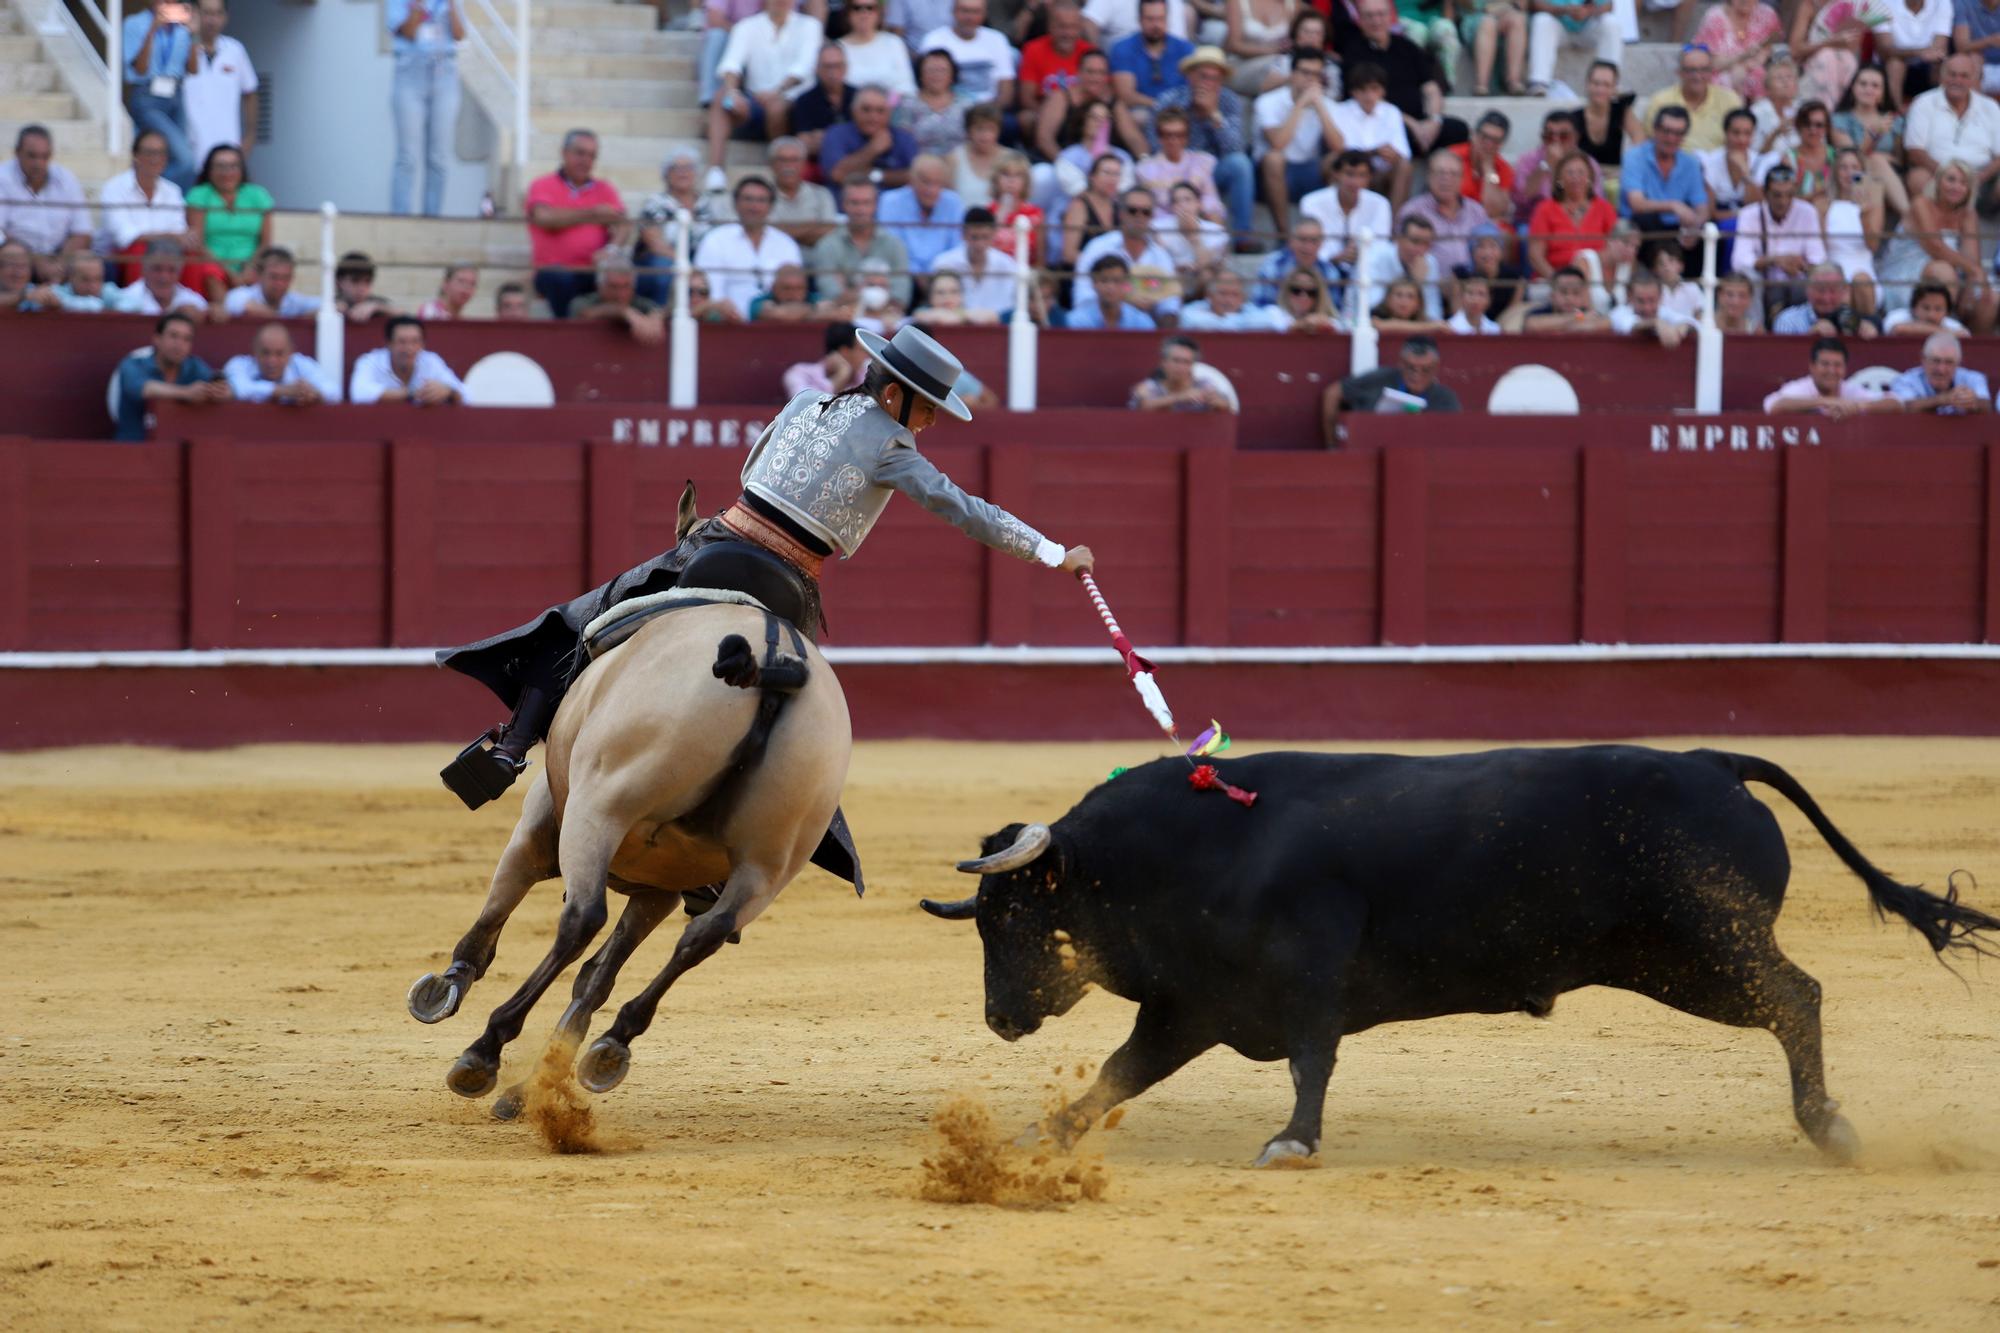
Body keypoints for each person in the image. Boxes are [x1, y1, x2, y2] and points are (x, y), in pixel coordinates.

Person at [434, 323, 1095, 809]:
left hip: (713, 542)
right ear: (895, 396)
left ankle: (511, 745)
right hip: (790, 580)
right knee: (804, 717)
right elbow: (963, 508)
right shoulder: (894, 445)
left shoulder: (806, 402)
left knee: (582, 621)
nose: (929, 424)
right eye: (927, 409)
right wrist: (1051, 551)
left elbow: (751, 468)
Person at [705, 0, 823, 185]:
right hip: (756, 103)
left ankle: (779, 173)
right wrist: (733, 92)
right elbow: (732, 64)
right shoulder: (746, 26)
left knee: (777, 107)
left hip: (794, 104)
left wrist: (777, 91)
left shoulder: (810, 26)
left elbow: (804, 67)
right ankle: (716, 171)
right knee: (722, 98)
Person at [1339, 0, 1465, 163]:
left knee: (1459, 130)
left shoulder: (1407, 47)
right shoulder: (1353, 54)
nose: (1376, 21)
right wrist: (1412, 124)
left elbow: (1431, 87)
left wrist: (1433, 120)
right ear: (1360, 20)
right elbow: (1369, 98)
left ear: (1390, 17)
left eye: (1381, 14)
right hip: (1385, 124)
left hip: (1422, 122)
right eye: (1369, 16)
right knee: (1402, 135)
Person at [1152, 47, 1256, 236]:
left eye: (1214, 78)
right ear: (1190, 76)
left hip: (1211, 173)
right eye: (1203, 76)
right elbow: (1155, 143)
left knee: (1240, 164)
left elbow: (1235, 148)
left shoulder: (1230, 101)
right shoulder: (1170, 100)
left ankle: (1242, 236)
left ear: (1221, 81)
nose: (1208, 83)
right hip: (1174, 170)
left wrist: (1213, 115)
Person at [526, 130, 629, 318]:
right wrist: (592, 214)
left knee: (629, 279)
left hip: (594, 270)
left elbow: (623, 224)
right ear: (564, 153)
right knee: (559, 278)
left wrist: (612, 249)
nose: (586, 160)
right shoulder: (542, 185)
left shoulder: (605, 189)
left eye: (592, 155)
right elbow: (544, 218)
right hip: (553, 271)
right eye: (580, 153)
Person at [386, 0, 463, 217]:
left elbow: (459, 33)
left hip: (444, 71)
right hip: (411, 70)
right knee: (407, 156)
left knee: (439, 157)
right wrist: (418, 6)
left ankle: (433, 216)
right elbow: (409, 32)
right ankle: (400, 217)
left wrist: (451, 6)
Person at [1254, 46, 1340, 236]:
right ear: (1292, 74)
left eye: (1316, 74)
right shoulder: (1267, 101)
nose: (1310, 79)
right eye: (1305, 73)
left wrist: (1320, 107)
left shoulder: (1327, 104)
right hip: (1272, 176)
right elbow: (1278, 144)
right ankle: (1284, 235)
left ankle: (1329, 234)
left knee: (1337, 161)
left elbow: (1340, 148)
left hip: (1309, 171)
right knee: (1274, 158)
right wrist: (1300, 104)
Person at [694, 176, 807, 315]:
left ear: (771, 206)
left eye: (761, 200)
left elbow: (796, 290)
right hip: (726, 322)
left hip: (775, 321)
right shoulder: (715, 240)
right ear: (735, 204)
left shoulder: (786, 244)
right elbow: (709, 291)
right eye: (748, 199)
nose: (754, 207)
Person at [113, 311, 230, 441]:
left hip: (180, 451)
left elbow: (227, 390)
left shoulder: (194, 365)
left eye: (187, 339)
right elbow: (144, 389)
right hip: (133, 450)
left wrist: (221, 392)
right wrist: (186, 393)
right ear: (157, 339)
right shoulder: (132, 364)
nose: (179, 344)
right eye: (174, 336)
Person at [1321, 334, 1458, 446]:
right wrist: (1332, 446)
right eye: (1410, 367)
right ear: (1400, 362)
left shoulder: (1445, 399)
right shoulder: (1379, 379)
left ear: (1436, 368)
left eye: (1425, 369)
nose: (1416, 374)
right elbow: (1332, 393)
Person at [1903, 53, 2000, 202]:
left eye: (1964, 76)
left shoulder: (1990, 106)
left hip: (1981, 179)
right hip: (1937, 176)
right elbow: (1915, 151)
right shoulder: (1923, 102)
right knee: (1917, 178)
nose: (1957, 81)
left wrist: (1981, 177)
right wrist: (1950, 177)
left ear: (1974, 79)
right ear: (1941, 77)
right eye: (1952, 74)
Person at [99, 130, 190, 285]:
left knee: (192, 257)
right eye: (149, 153)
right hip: (118, 257)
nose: (155, 159)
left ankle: (186, 306)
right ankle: (139, 307)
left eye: (160, 153)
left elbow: (180, 232)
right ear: (135, 156)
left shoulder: (172, 190)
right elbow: (125, 237)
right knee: (140, 251)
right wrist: (170, 236)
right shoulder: (114, 188)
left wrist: (173, 238)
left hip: (164, 252)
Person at [0, 126, 94, 277]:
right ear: (17, 153)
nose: (38, 163)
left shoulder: (66, 179)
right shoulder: (3, 178)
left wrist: (60, 265)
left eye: (44, 157)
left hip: (60, 258)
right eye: (32, 156)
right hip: (16, 258)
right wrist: (35, 261)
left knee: (98, 266)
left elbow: (82, 232)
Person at [1073, 185, 1182, 315]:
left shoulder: (1161, 255)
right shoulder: (1098, 248)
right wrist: (1125, 302)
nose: (1139, 216)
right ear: (1121, 214)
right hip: (1100, 326)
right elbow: (1083, 297)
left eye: (1146, 212)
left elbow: (1171, 304)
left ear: (1152, 216)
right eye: (1132, 210)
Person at [123, 1, 197, 191]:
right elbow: (140, 69)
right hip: (147, 96)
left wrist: (193, 34)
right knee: (186, 160)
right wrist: (152, 30)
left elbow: (193, 69)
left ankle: (164, 202)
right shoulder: (134, 23)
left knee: (175, 158)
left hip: (175, 95)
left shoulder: (181, 28)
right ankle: (146, 190)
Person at [1734, 165, 1827, 315]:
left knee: (1815, 280)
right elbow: (1739, 261)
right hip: (1764, 284)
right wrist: (1774, 261)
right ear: (1765, 193)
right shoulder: (1748, 214)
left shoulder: (1807, 212)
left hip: (1797, 281)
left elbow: (1818, 259)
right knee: (1749, 279)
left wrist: (1797, 265)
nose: (1783, 201)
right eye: (1777, 195)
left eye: (1789, 195)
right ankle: (1757, 329)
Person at [811, 176, 916, 308]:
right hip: (844, 322)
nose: (860, 210)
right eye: (855, 203)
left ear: (875, 205)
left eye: (866, 203)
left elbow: (900, 297)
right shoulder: (827, 245)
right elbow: (831, 294)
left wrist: (851, 292)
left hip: (886, 322)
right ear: (843, 204)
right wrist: (880, 289)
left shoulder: (894, 245)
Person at [184, 144, 270, 301]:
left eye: (233, 166)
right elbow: (198, 243)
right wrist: (229, 273)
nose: (227, 173)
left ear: (241, 169)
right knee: (210, 272)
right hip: (212, 265)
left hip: (251, 267)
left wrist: (250, 269)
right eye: (220, 167)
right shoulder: (199, 195)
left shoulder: (258, 195)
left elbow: (265, 243)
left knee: (274, 270)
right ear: (209, 170)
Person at [1621, 107, 1710, 256]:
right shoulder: (1635, 156)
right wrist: (1674, 206)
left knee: (1709, 233)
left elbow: (1702, 207)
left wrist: (1695, 226)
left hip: (1676, 228)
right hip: (1642, 227)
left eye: (1678, 133)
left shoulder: (1690, 162)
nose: (1671, 138)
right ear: (1655, 130)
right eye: (1666, 131)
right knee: (1646, 220)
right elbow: (1637, 204)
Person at [184, 0, 258, 169]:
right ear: (195, 14)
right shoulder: (182, 45)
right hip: (190, 148)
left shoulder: (235, 50)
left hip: (228, 147)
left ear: (225, 17)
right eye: (207, 13)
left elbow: (250, 92)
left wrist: (250, 136)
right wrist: (193, 36)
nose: (212, 20)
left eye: (217, 14)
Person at [1329, 62, 1413, 208]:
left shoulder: (1392, 112)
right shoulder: (1340, 111)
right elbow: (1343, 154)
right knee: (1334, 162)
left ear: (1383, 91)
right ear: (1354, 92)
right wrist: (1375, 152)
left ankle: (1394, 226)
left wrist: (1393, 155)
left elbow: (1403, 153)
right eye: (1363, 90)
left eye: (1374, 89)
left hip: (1381, 174)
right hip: (1351, 172)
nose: (1369, 96)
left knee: (1404, 166)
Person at [1299, 149, 1393, 272]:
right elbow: (1309, 245)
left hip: (1364, 270)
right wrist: (1336, 258)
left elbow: (1381, 246)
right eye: (1349, 174)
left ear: (1370, 177)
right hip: (1322, 269)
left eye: (1362, 175)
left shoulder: (1380, 204)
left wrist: (1361, 253)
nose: (1355, 182)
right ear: (1336, 174)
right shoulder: (1311, 202)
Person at [1110, 0, 1196, 134]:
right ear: (1140, 20)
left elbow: (1192, 89)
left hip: (1181, 112)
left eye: (1160, 19)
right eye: (1150, 19)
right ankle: (1142, 155)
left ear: (1167, 19)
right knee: (1134, 116)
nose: (1156, 25)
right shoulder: (1123, 49)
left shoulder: (1185, 49)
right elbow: (1126, 95)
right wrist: (1160, 106)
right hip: (1144, 111)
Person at [1526, 151, 1616, 280]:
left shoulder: (1605, 208)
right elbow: (1535, 256)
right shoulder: (1545, 209)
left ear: (1590, 178)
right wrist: (1557, 280)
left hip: (1594, 280)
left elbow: (1614, 250)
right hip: (1553, 280)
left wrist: (1587, 268)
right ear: (1559, 179)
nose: (1576, 177)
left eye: (1581, 172)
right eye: (1570, 172)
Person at [1640, 44, 1743, 153]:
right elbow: (1649, 142)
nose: (1698, 76)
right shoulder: (1661, 101)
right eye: (1691, 70)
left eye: (1704, 70)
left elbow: (1740, 142)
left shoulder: (1730, 100)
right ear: (1680, 73)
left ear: (1711, 72)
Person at [1398, 150, 1485, 276]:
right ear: (1428, 176)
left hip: (1470, 289)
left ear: (1462, 179)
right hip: (1429, 287)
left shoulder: (1477, 211)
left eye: (1453, 174)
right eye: (1440, 173)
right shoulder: (1413, 211)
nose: (1446, 179)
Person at [820, 86, 921, 194]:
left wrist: (874, 174)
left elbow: (916, 177)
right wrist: (873, 149)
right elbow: (838, 175)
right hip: (846, 207)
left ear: (890, 114)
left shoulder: (903, 137)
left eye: (880, 111)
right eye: (866, 109)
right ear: (853, 111)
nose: (873, 117)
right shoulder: (836, 133)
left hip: (893, 207)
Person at [350, 315, 467, 406]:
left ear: (423, 344)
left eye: (415, 342)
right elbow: (359, 393)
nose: (409, 348)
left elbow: (467, 395)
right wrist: (411, 394)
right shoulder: (370, 361)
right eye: (402, 342)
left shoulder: (431, 361)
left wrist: (449, 392)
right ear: (388, 344)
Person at [1763, 336, 1898, 414]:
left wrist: (1857, 407)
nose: (1831, 371)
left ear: (1845, 368)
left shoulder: (1849, 389)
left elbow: (1895, 403)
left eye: (1837, 365)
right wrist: (1825, 401)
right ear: (1812, 366)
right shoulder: (1802, 387)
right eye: (1825, 364)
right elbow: (1773, 405)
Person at [921, 0, 1019, 106]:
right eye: (965, 11)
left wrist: (989, 113)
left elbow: (1006, 87)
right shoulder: (934, 39)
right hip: (947, 111)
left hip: (988, 112)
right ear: (953, 11)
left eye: (976, 12)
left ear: (985, 14)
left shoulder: (997, 39)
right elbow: (927, 86)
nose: (970, 17)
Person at [1137, 108, 1225, 223]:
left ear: (1187, 137)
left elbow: (1211, 199)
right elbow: (1146, 208)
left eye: (1180, 135)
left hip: (1197, 223)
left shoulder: (1201, 162)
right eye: (1168, 135)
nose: (1174, 140)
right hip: (1163, 228)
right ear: (1160, 137)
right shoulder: (1145, 169)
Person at [222, 321, 340, 405]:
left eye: (279, 354)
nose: (272, 361)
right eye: (265, 353)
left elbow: (334, 391)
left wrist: (314, 393)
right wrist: (282, 391)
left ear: (290, 352)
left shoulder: (301, 364)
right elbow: (240, 389)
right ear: (254, 351)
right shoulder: (238, 364)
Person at [1019, 0, 1096, 128]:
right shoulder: (1033, 49)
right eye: (1062, 26)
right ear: (1050, 26)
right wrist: (1052, 115)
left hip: (1083, 117)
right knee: (1026, 118)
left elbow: (1100, 94)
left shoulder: (1090, 52)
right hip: (1043, 113)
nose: (1068, 33)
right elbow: (1027, 99)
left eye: (1073, 27)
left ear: (1080, 28)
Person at [931, 206, 1021, 315]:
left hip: (998, 328)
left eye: (985, 237)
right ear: (963, 234)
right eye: (974, 237)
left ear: (994, 234)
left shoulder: (1008, 265)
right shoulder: (944, 263)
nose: (980, 244)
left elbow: (1012, 307)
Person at [1525, 0, 1622, 100]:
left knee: (1611, 22)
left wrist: (1588, 12)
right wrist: (1565, 10)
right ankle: (1539, 83)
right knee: (1542, 19)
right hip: (1558, 25)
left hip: (1587, 28)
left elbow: (1608, 5)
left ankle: (1609, 84)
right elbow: (1535, 4)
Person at [1511, 110, 1594, 224]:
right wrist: (1546, 165)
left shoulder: (1587, 163)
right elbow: (1520, 198)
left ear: (1576, 137)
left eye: (1564, 136)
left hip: (1575, 222)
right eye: (1549, 136)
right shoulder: (1527, 160)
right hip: (1532, 221)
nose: (1556, 140)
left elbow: (1593, 200)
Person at [1354, 214, 1443, 319]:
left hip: (1412, 326)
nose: (1421, 249)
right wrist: (1415, 282)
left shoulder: (1429, 262)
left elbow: (1433, 312)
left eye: (1426, 244)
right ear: (1399, 239)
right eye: (1415, 241)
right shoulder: (1373, 257)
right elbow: (1373, 308)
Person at [571, 251, 668, 343]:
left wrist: (657, 316)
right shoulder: (583, 302)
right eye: (613, 287)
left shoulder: (638, 302)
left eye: (626, 286)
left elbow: (658, 310)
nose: (620, 294)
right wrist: (624, 312)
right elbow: (585, 313)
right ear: (599, 286)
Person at [1696, 0, 1782, 101]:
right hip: (1721, 73)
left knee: (1762, 78)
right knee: (1728, 80)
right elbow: (1713, 63)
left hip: (1755, 69)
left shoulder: (1767, 14)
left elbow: (1772, 42)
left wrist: (1746, 67)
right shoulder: (1714, 18)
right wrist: (1743, 57)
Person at [898, 48, 975, 159]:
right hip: (919, 165)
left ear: (952, 75)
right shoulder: (907, 103)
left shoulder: (966, 104)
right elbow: (903, 141)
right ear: (920, 74)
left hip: (959, 163)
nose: (937, 75)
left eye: (942, 70)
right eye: (931, 70)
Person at [1889, 331, 1991, 412]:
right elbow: (1905, 407)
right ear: (1923, 359)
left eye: (1949, 362)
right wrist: (1944, 400)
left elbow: (1986, 406)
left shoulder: (1973, 378)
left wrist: (1973, 402)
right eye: (1936, 361)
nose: (1941, 369)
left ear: (1958, 363)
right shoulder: (1905, 380)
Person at [764, 138, 840, 246]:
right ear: (771, 164)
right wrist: (812, 227)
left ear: (804, 164)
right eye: (782, 160)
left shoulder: (822, 194)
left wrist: (782, 231)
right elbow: (763, 232)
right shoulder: (760, 196)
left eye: (794, 160)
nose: (788, 166)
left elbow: (829, 230)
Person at [1130, 334, 1238, 410]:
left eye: (1186, 362)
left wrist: (1219, 403)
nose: (1180, 367)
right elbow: (1143, 408)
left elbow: (1227, 409)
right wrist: (1179, 397)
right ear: (1163, 362)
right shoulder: (1147, 387)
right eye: (1176, 361)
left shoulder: (1204, 385)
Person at [1793, 0, 1867, 108]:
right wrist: (1828, 43)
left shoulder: (1854, 6)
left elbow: (1853, 47)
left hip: (1843, 66)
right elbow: (1795, 50)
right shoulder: (1810, 5)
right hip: (1810, 63)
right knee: (1826, 56)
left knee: (1847, 60)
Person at [1882, 0, 1952, 110]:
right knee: (1895, 64)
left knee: (1942, 62)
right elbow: (1884, 50)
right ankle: (1896, 114)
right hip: (1894, 64)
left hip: (1928, 65)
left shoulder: (1942, 2)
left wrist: (1924, 54)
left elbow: (1939, 49)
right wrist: (1919, 53)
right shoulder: (1883, 3)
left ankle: (1939, 111)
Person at [111, 238, 209, 316]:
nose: (164, 277)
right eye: (157, 269)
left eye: (171, 270)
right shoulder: (125, 300)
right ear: (144, 268)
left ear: (180, 272)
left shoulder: (195, 302)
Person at [1252, 216, 1341, 302]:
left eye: (1314, 241)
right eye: (1302, 240)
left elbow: (1333, 311)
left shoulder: (1329, 272)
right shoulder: (1272, 265)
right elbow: (1260, 305)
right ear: (1291, 241)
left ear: (1321, 244)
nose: (1308, 247)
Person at [842, 0, 919, 99]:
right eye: (857, 8)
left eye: (870, 8)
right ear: (848, 13)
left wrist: (887, 106)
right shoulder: (838, 49)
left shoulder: (894, 43)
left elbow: (906, 86)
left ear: (879, 13)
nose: (864, 13)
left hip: (893, 110)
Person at [1450, 110, 1516, 220]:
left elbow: (1494, 211)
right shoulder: (1453, 157)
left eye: (1495, 140)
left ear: (1501, 144)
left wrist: (1489, 170)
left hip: (1483, 223)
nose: (1488, 144)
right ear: (1474, 135)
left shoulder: (1503, 169)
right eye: (1484, 137)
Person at [223, 245, 319, 319]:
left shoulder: (294, 301)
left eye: (286, 278)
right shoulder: (242, 294)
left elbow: (325, 305)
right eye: (274, 277)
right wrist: (286, 320)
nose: (280, 283)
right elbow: (235, 301)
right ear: (259, 275)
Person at [1179, 266, 1289, 327]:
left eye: (1234, 295)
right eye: (1223, 293)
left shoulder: (1250, 310)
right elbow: (1193, 321)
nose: (1228, 300)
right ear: (1209, 296)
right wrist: (1241, 323)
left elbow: (1271, 319)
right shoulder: (1191, 311)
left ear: (1243, 298)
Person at [783, 320, 871, 395]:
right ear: (845, 351)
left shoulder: (867, 377)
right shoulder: (799, 373)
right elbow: (807, 406)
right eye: (863, 350)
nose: (867, 356)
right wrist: (842, 375)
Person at [1068, 252, 1157, 326]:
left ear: (1126, 284)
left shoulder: (1142, 322)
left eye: (1117, 281)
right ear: (1094, 284)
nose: (1110, 287)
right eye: (1104, 281)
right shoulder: (1076, 322)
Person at [1460, 0, 1528, 96]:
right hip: (1477, 16)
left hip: (1507, 12)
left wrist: (1502, 7)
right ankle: (1482, 85)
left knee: (1518, 20)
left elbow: (1522, 5)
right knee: (1488, 23)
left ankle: (1514, 82)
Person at [1609, 271, 1694, 347]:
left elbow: (1692, 323)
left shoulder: (1664, 311)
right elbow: (1630, 324)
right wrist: (1656, 323)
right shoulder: (1619, 313)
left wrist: (1684, 326)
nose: (1647, 307)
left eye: (1652, 300)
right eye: (1641, 301)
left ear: (1661, 296)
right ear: (1629, 297)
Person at [1523, 263, 1611, 331]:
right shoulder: (1538, 313)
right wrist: (1577, 318)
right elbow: (1531, 324)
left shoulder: (1589, 313)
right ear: (1552, 296)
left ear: (1583, 296)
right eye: (1563, 292)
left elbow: (1606, 323)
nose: (1569, 298)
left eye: (1576, 293)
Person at [1881, 280, 1969, 334]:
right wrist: (1949, 333)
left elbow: (1964, 335)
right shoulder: (1896, 316)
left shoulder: (1953, 325)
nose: (1931, 315)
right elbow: (1898, 330)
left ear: (1947, 312)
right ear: (1913, 308)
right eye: (1926, 308)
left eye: (1938, 309)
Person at [1369, 274, 1449, 331]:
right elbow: (1379, 325)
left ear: (1418, 304)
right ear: (1388, 299)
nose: (1404, 301)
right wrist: (1430, 327)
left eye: (1410, 296)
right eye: (1399, 295)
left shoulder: (1425, 321)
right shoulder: (1375, 313)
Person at [335, 251, 397, 323]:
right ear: (338, 283)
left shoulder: (377, 303)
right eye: (355, 281)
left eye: (367, 281)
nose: (362, 288)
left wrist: (377, 307)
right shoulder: (329, 303)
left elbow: (404, 315)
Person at [1957, 0, 2000, 98]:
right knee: (1974, 57)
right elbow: (1961, 46)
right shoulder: (1963, 3)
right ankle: (1976, 109)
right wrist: (1991, 41)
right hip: (1979, 64)